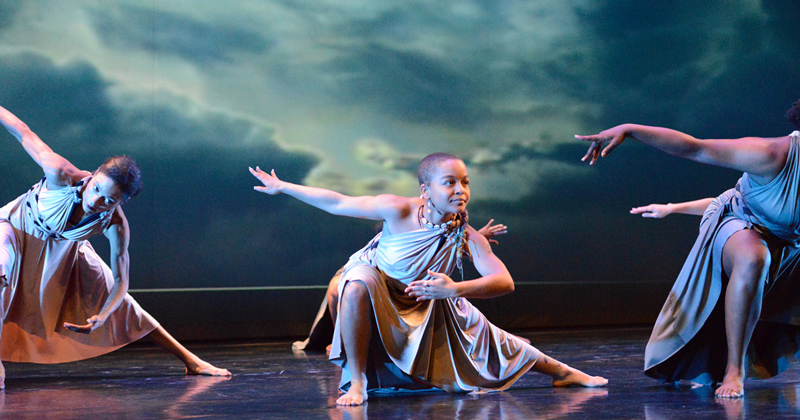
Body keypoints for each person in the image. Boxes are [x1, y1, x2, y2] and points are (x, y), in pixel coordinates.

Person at [251, 153, 607, 406]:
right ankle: (356, 380)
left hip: (427, 298)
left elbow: (504, 280)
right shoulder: (398, 208)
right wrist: (284, 187)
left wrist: (453, 288)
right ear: (426, 191)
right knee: (356, 278)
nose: (461, 190)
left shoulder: (466, 234)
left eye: (465, 182)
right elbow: (339, 202)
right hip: (380, 292)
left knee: (496, 343)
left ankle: (566, 372)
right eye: (449, 182)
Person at [576, 99, 800, 398]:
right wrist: (631, 130)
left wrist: (671, 208)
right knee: (753, 257)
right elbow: (696, 147)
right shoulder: (773, 154)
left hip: (788, 245)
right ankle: (734, 370)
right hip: (741, 225)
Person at [0, 106, 229, 390]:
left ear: (121, 203)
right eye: (96, 188)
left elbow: (122, 281)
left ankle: (191, 361)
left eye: (109, 201)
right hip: (15, 227)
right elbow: (23, 132)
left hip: (65, 249)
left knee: (124, 304)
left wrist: (104, 316)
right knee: (0, 270)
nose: (96, 201)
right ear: (94, 174)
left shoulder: (115, 224)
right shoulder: (60, 172)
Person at [292, 220, 509, 353]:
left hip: (398, 290)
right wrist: (341, 340)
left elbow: (432, 252)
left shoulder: (418, 238)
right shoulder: (386, 243)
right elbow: (337, 295)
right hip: (368, 282)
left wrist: (476, 238)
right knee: (339, 286)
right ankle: (342, 341)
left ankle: (491, 339)